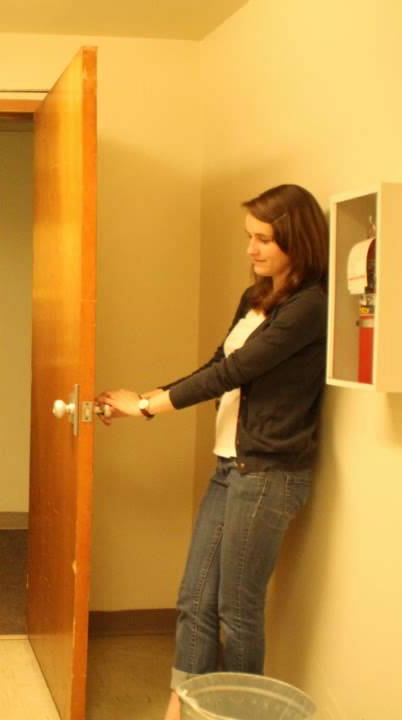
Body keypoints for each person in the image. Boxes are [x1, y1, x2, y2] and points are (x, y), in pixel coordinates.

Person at [93, 184, 328, 720]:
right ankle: (184, 705)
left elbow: (237, 371)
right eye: (250, 238)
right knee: (195, 599)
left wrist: (147, 408)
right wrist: (146, 398)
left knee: (237, 611)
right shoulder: (257, 299)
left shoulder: (309, 308)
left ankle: (234, 712)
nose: (252, 250)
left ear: (298, 239)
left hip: (268, 473)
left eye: (264, 239)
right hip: (231, 466)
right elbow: (215, 369)